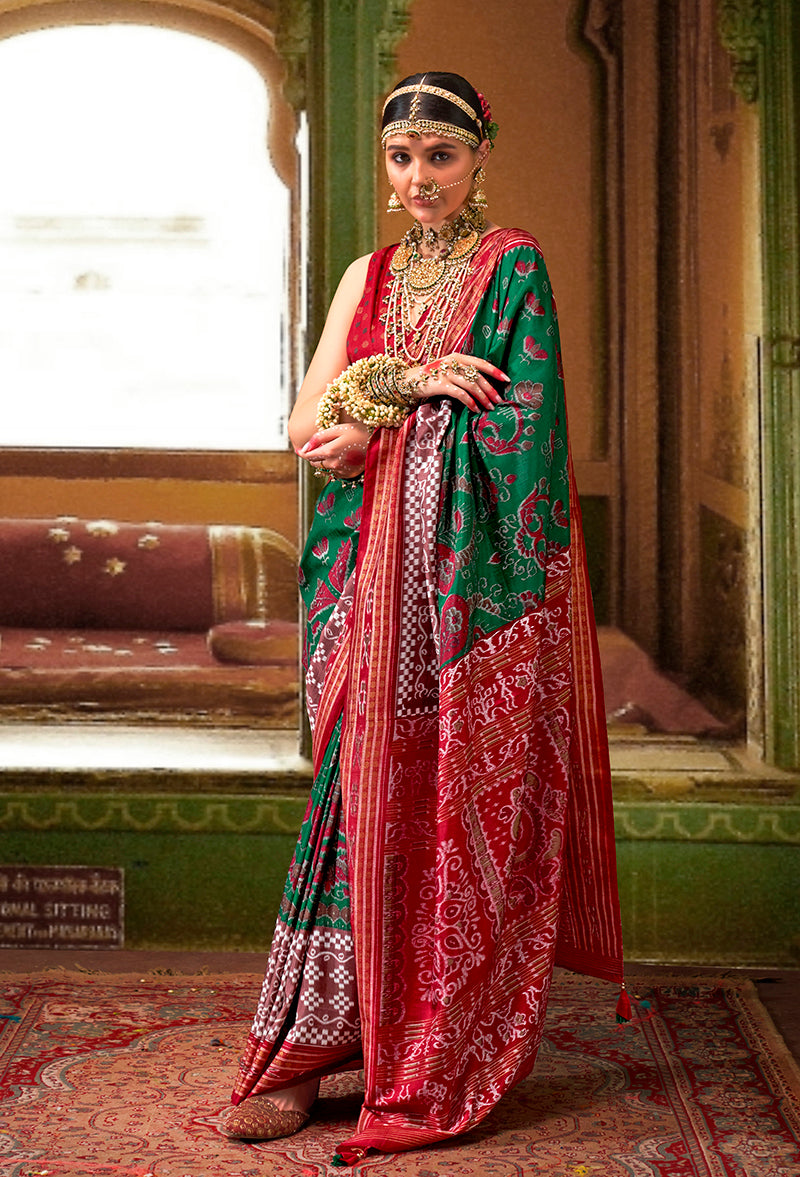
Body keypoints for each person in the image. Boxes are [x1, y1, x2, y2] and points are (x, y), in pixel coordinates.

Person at [222, 71, 625, 1165]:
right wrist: (407, 379)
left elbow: (524, 433)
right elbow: (307, 425)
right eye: (400, 159)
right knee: (353, 802)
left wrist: (390, 419)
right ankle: (312, 1047)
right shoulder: (369, 273)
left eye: (438, 157)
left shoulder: (513, 267)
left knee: (442, 804)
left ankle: (415, 1049)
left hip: (458, 600)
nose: (416, 181)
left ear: (478, 154)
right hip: (360, 583)